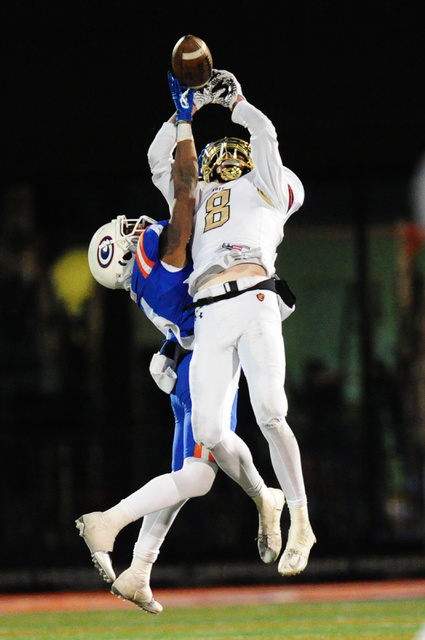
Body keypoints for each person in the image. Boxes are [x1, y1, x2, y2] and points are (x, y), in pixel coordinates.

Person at [76, 78, 285, 614]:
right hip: (208, 359)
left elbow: (156, 161)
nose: (134, 225)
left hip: (189, 360)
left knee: (181, 477)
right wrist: (184, 116)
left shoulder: (143, 283)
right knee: (195, 476)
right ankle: (111, 522)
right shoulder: (160, 255)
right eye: (128, 233)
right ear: (130, 254)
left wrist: (179, 116)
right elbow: (186, 187)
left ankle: (140, 569)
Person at [148, 69, 316, 577]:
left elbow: (264, 136)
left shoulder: (268, 183)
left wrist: (236, 102)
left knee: (269, 410)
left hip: (255, 296)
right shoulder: (195, 200)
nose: (223, 156)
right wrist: (184, 113)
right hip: (209, 311)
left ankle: (303, 521)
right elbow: (160, 161)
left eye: (230, 150)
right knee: (209, 429)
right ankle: (265, 498)